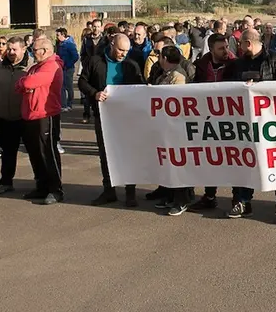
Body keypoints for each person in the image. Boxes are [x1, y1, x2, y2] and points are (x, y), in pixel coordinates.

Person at [223, 28, 276, 222]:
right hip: (244, 122)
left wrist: (260, 88)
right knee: (244, 161)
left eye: (241, 44)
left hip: (270, 122)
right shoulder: (237, 64)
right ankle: (242, 200)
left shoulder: (274, 60)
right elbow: (226, 88)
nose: (239, 48)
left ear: (248, 43)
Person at [79, 34, 144, 207]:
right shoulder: (95, 61)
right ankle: (109, 191)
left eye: (126, 51)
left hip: (127, 117)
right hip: (104, 115)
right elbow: (82, 82)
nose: (123, 54)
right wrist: (95, 93)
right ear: (112, 45)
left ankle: (130, 193)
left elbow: (139, 85)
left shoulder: (131, 65)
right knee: (105, 154)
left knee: (128, 154)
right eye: (120, 50)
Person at [187, 34, 237, 212]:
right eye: (221, 48)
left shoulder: (234, 64)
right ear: (211, 49)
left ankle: (238, 198)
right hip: (208, 120)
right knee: (211, 158)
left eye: (226, 47)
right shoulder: (201, 66)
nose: (226, 51)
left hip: (231, 120)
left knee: (235, 159)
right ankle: (209, 196)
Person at [16, 36, 65, 205]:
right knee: (35, 154)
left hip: (46, 115)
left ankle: (55, 189)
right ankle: (42, 186)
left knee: (47, 153)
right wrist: (25, 84)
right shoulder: (36, 67)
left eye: (34, 50)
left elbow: (28, 82)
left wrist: (25, 83)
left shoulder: (51, 66)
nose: (32, 53)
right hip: (30, 115)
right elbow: (23, 84)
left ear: (45, 51)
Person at [151, 45, 195, 215]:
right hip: (166, 127)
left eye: (161, 56)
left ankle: (181, 199)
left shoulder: (178, 77)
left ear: (166, 59)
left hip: (176, 128)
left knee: (179, 164)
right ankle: (171, 195)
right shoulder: (166, 74)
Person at [0, 38, 31, 196]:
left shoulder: (31, 67)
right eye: (9, 49)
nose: (10, 52)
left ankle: (42, 184)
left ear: (23, 49)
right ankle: (5, 182)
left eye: (14, 49)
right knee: (8, 153)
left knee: (35, 152)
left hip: (26, 119)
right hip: (2, 118)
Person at [80, 19, 107, 124]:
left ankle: (100, 114)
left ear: (101, 27)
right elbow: (82, 53)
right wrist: (85, 63)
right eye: (94, 26)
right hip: (88, 68)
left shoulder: (105, 39)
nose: (96, 28)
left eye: (98, 26)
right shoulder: (86, 39)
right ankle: (86, 114)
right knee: (87, 93)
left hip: (100, 69)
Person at [55, 28, 80, 112]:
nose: (57, 37)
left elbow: (75, 57)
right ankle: (63, 104)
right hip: (61, 68)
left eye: (58, 35)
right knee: (61, 86)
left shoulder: (70, 44)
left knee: (69, 87)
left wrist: (67, 65)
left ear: (63, 35)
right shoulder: (59, 44)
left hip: (68, 68)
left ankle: (69, 104)